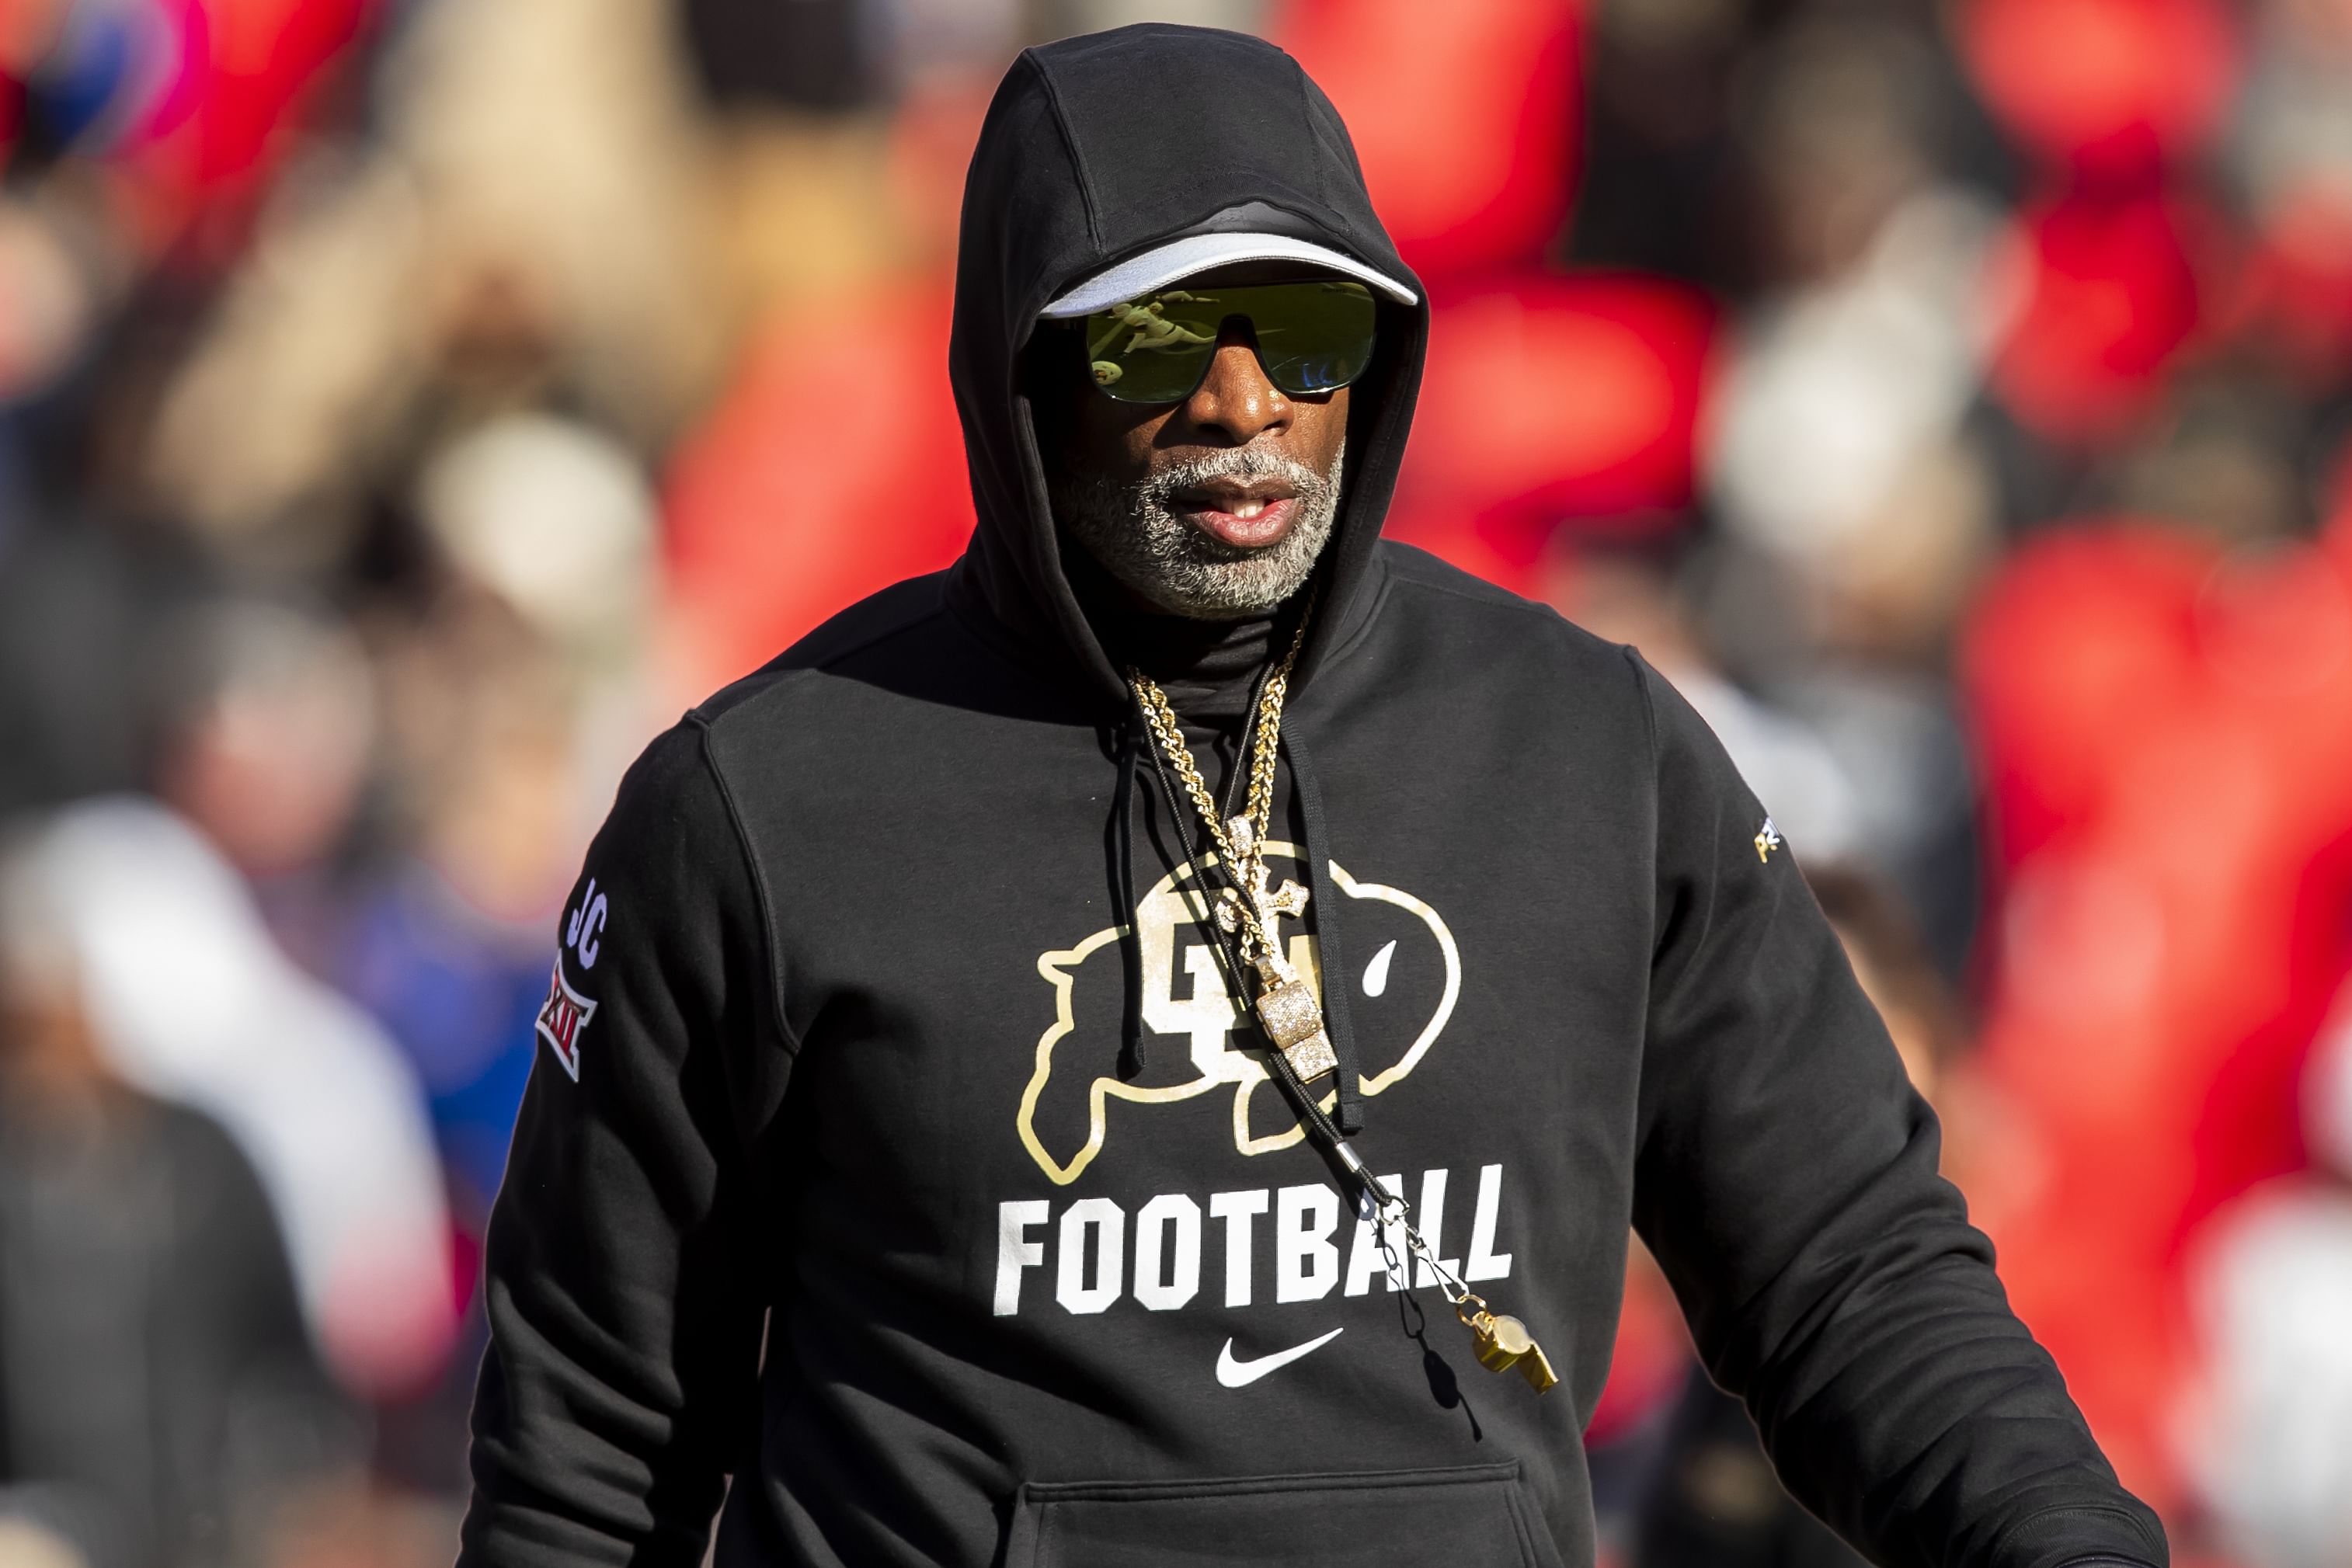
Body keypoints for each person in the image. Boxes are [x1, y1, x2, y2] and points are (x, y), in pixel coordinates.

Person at [459, 24, 2166, 1568]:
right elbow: (587, 1465)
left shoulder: (1589, 751)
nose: (1241, 401)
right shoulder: (764, 803)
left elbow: (1852, 1279)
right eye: (1152, 338)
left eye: (1305, 327)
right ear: (1019, 367)